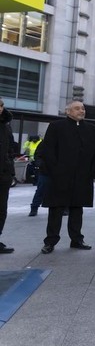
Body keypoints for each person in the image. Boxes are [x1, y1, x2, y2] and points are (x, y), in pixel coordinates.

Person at [38, 101, 95, 254]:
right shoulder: (56, 127)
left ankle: (77, 239)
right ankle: (50, 241)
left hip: (83, 176)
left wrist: (92, 172)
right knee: (56, 209)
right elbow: (48, 150)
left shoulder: (92, 129)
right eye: (77, 108)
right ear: (68, 112)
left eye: (83, 108)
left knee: (77, 208)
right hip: (60, 176)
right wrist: (55, 171)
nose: (81, 111)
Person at [0, 98, 15, 253]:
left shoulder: (6, 125)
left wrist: (9, 166)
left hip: (4, 173)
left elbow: (11, 146)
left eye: (1, 105)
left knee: (1, 209)